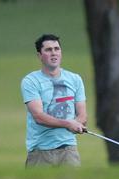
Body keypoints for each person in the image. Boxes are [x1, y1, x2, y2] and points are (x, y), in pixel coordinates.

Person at [21, 34, 87, 167]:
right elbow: (39, 117)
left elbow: (82, 115)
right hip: (40, 151)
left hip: (69, 150)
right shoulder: (30, 81)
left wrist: (77, 123)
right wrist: (68, 124)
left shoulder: (75, 79)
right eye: (48, 50)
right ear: (39, 56)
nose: (53, 53)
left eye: (57, 49)